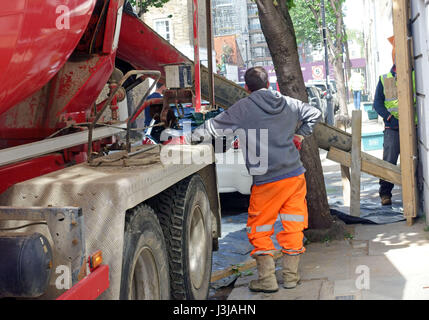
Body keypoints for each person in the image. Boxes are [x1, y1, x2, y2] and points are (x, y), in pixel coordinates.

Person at [190, 67, 322, 292]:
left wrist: (187, 138)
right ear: (269, 84)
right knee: (293, 225)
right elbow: (315, 114)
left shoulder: (244, 108)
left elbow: (212, 128)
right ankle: (291, 277)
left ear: (246, 88)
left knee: (259, 229)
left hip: (267, 180)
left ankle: (267, 280)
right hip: (294, 177)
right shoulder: (289, 103)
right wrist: (300, 135)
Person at [374, 63, 416, 206]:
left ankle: (413, 193)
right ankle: (385, 193)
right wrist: (389, 117)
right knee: (389, 161)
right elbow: (377, 103)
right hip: (392, 128)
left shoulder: (414, 76)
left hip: (411, 127)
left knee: (412, 160)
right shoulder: (384, 79)